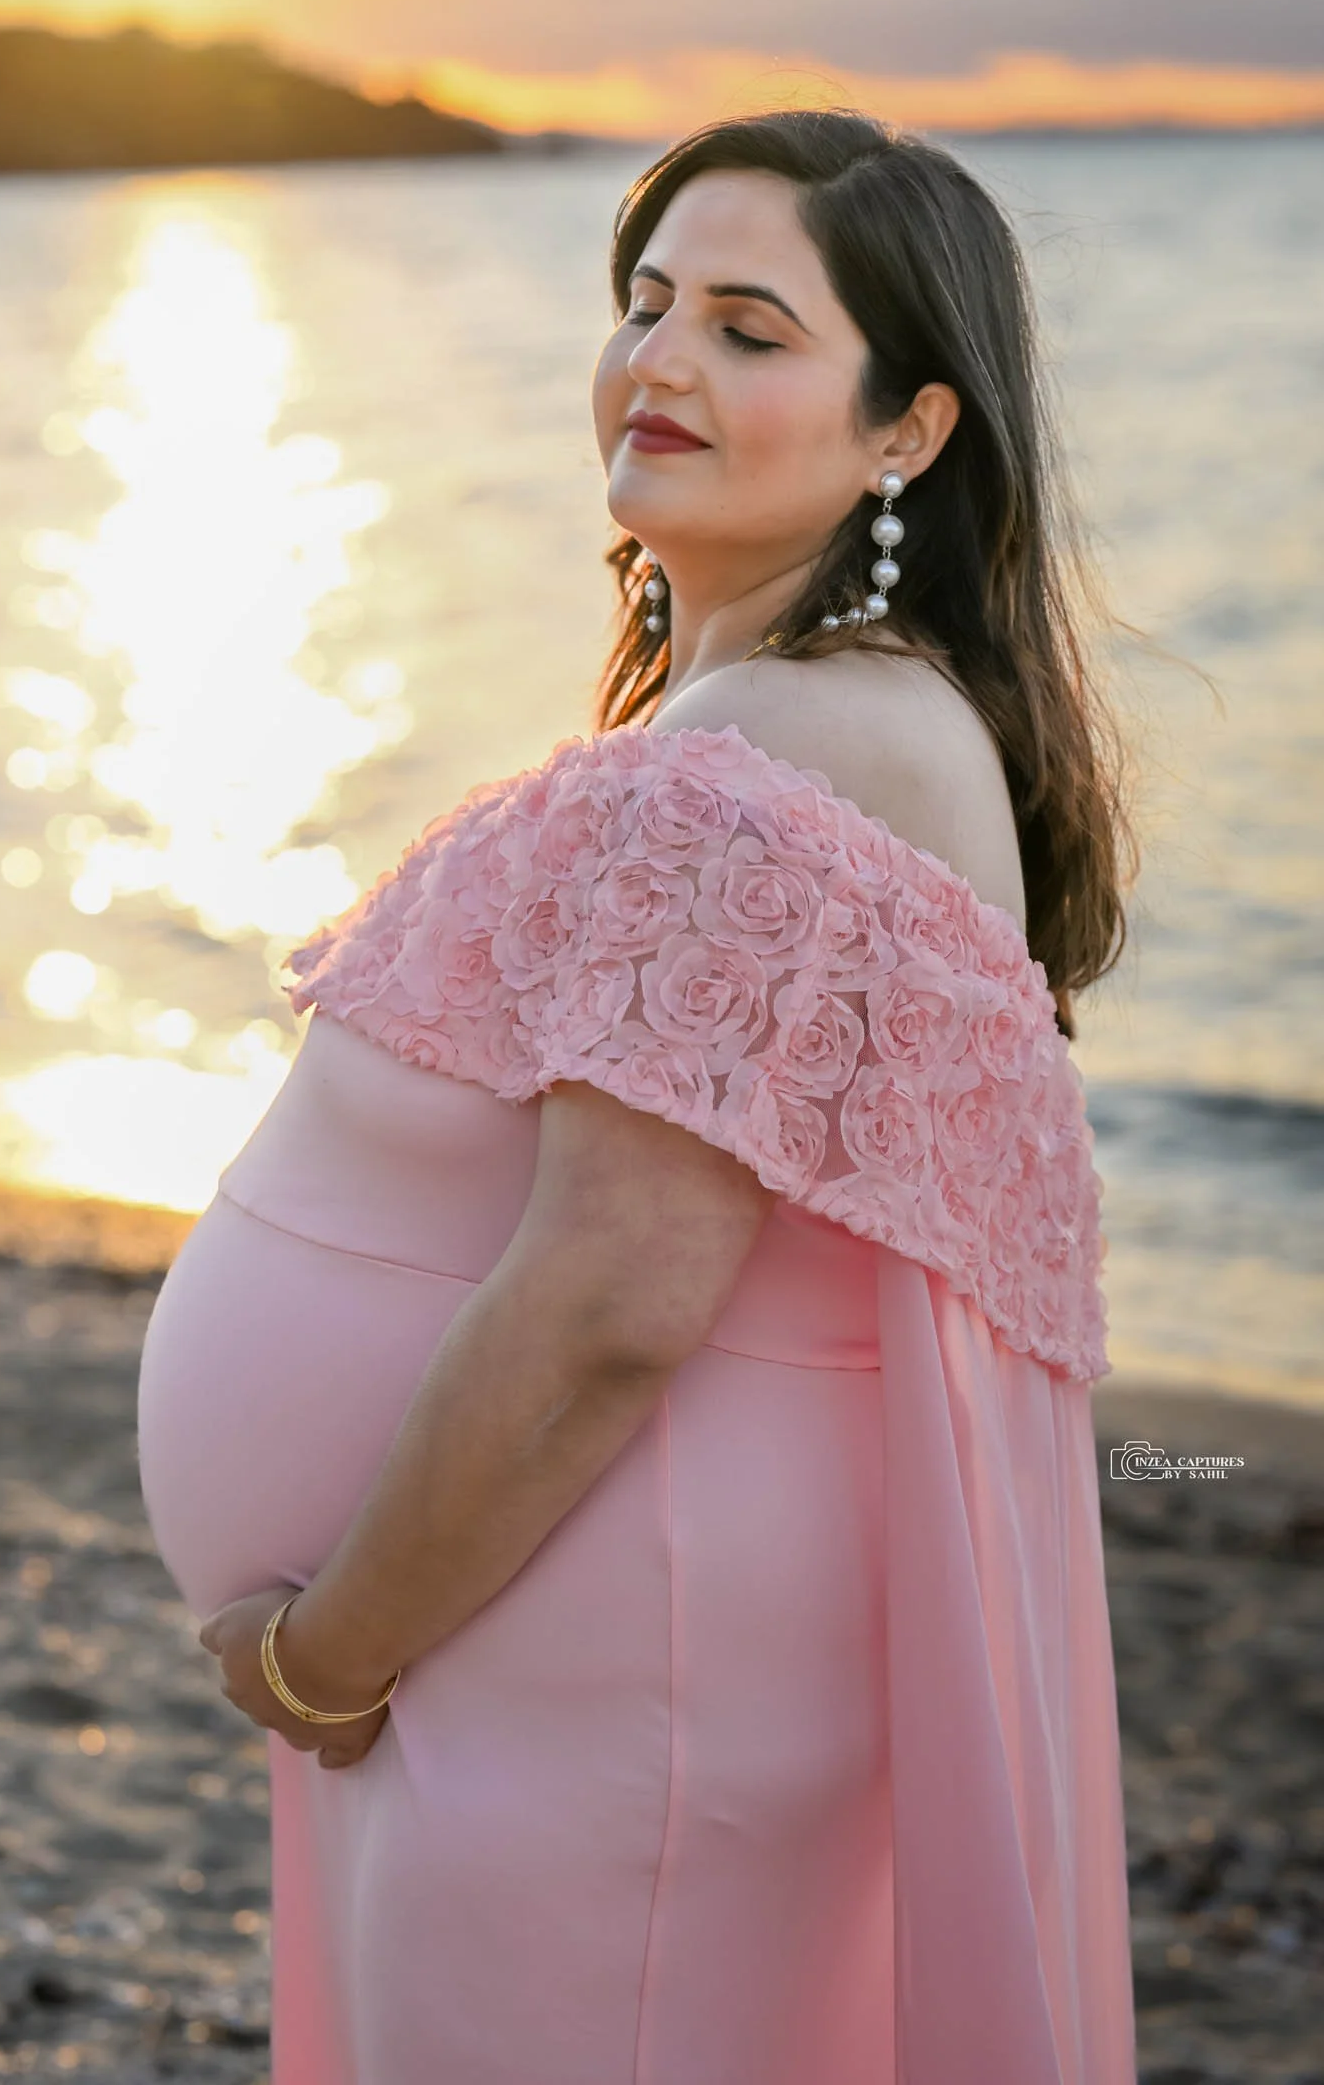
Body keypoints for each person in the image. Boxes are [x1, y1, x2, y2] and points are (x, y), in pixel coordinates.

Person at [136, 107, 1140, 2084]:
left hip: (603, 1648)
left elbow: (615, 1294)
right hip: (611, 1631)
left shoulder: (768, 743)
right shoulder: (846, 708)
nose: (660, 357)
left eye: (752, 327)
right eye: (647, 299)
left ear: (906, 431)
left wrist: (326, 1652)